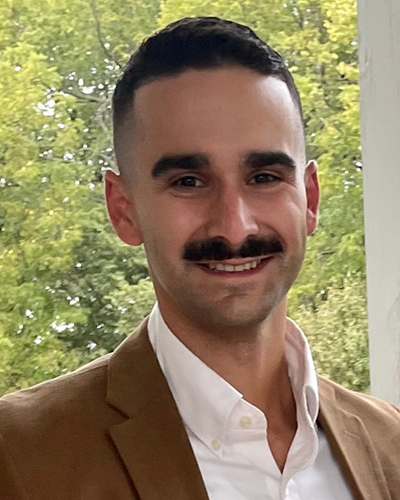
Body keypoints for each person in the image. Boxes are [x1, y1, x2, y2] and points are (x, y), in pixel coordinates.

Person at [0, 16, 399, 500]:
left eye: (265, 177)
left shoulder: (390, 444)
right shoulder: (20, 455)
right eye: (188, 182)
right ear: (123, 210)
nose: (235, 227)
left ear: (310, 198)